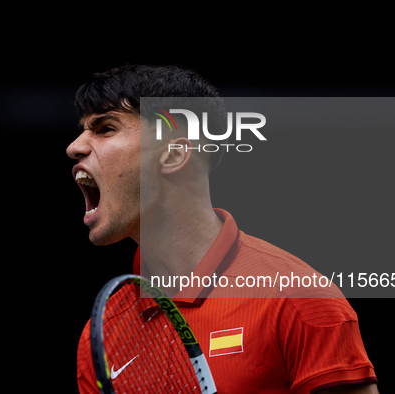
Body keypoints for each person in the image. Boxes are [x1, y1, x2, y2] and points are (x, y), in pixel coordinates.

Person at [68, 64, 378, 393]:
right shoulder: (103, 332)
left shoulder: (300, 299)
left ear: (174, 155)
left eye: (105, 128)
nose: (74, 147)